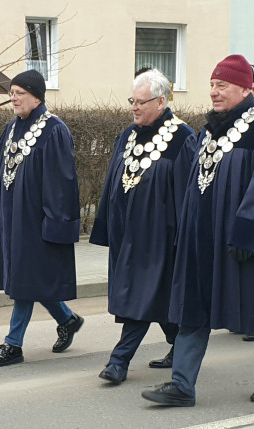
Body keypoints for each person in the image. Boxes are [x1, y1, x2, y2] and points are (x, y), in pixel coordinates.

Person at [142, 54, 254, 407]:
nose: (213, 92)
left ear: (245, 89)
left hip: (244, 243)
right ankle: (182, 384)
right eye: (212, 84)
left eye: (222, 85)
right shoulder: (209, 131)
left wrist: (248, 234)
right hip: (203, 239)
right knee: (193, 310)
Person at [89, 69, 195, 384]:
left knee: (143, 297)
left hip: (161, 237)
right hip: (129, 236)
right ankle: (179, 347)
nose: (134, 107)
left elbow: (188, 195)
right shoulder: (127, 135)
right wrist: (108, 226)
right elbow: (112, 184)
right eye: (131, 101)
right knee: (155, 298)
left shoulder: (182, 139)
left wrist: (182, 239)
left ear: (161, 101)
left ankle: (119, 362)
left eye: (140, 102)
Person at [0, 70, 84, 367]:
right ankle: (67, 319)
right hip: (12, 218)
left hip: (36, 221)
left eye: (19, 92)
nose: (13, 98)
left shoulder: (54, 129)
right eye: (11, 92)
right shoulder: (12, 128)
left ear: (37, 96)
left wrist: (57, 223)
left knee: (24, 280)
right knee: (28, 278)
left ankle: (13, 344)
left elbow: (62, 181)